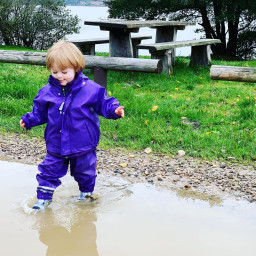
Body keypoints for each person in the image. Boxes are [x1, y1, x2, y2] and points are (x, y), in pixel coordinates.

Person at [20, 41, 124, 210]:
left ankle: (86, 194)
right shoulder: (47, 92)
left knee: (85, 172)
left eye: (64, 72)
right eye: (55, 72)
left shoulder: (91, 89)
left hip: (83, 143)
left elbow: (104, 103)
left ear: (76, 68)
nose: (59, 76)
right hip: (56, 143)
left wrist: (115, 110)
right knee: (48, 171)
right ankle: (43, 199)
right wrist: (29, 120)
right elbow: (39, 112)